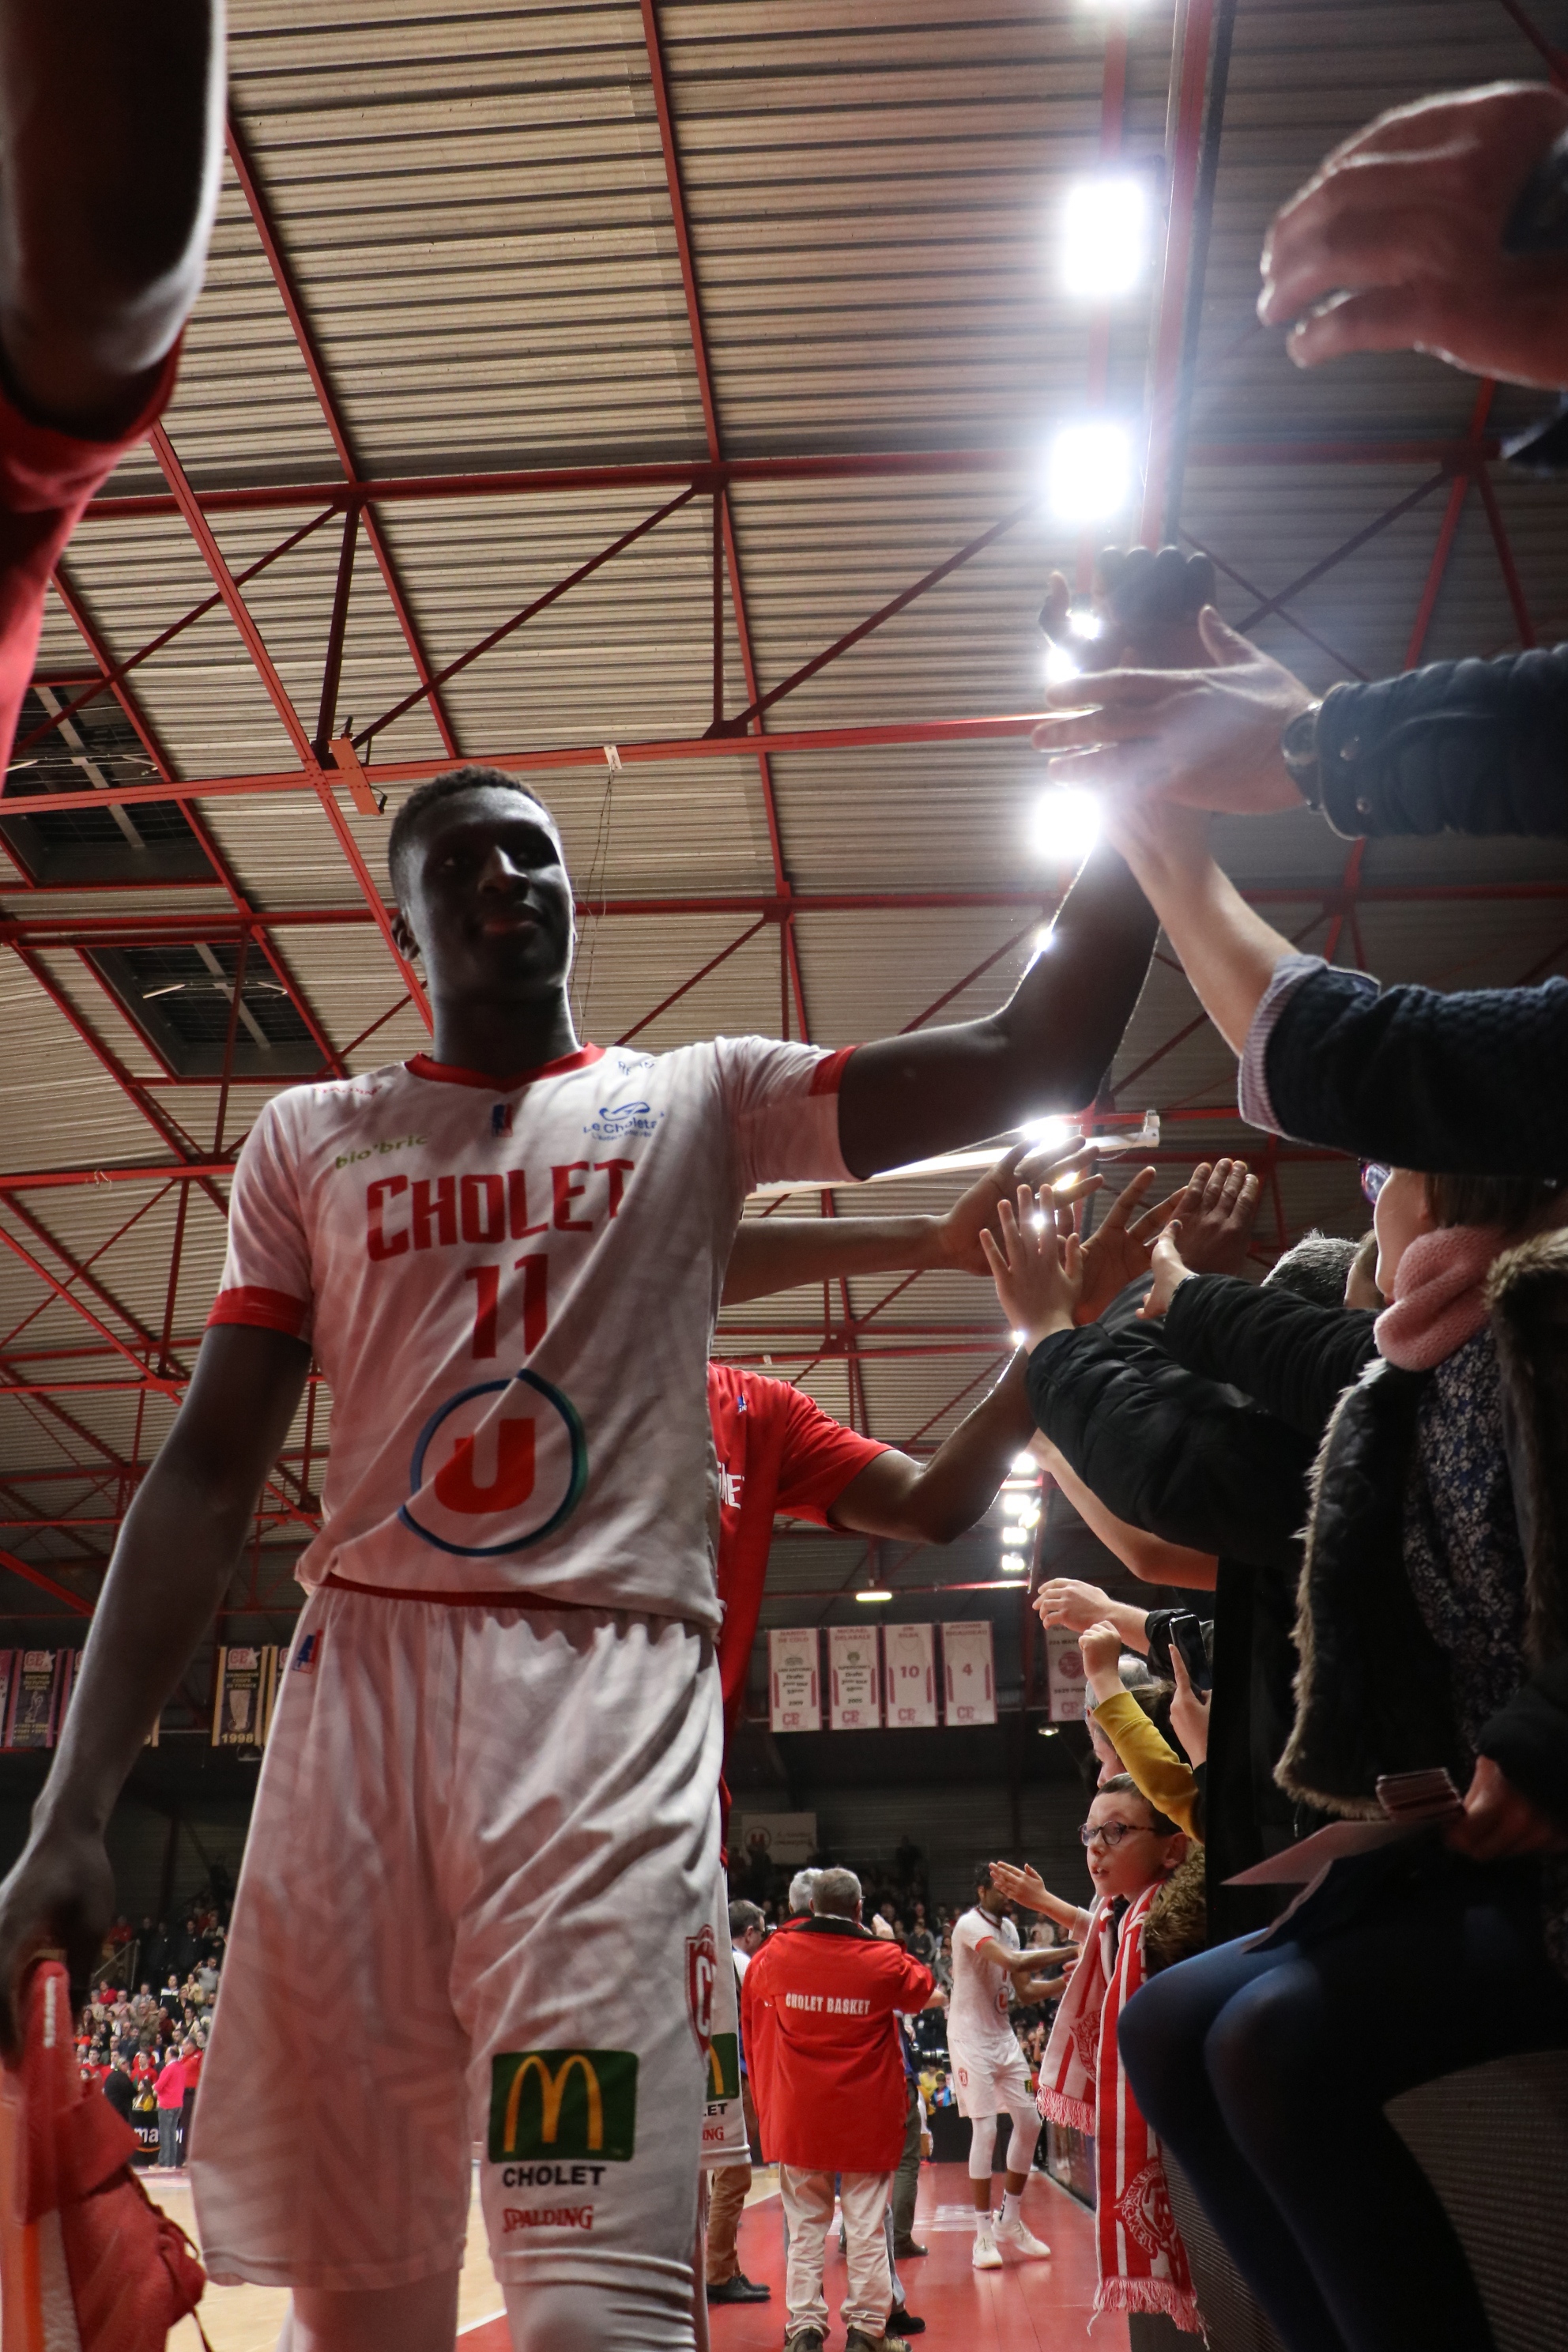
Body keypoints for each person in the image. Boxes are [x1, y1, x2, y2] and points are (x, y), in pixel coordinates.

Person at [0, 750, 1158, 2352]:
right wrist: (76, 1805)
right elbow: (204, 1469)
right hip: (359, 1719)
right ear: (403, 933)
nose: (511, 881)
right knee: (361, 2314)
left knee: (595, 2306)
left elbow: (1034, 1048)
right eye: (466, 863)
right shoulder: (310, 1139)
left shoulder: (693, 1100)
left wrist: (1152, 788)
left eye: (535, 857)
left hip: (602, 1723)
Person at [1118, 1163, 1568, 2352]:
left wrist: (1546, 1736)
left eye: (1388, 1174)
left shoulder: (1539, 1332)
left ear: (1440, 1198)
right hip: (1474, 1844)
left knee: (1274, 2039)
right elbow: (1286, 1360)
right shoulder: (1415, 1373)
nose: (1372, 1196)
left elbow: (1162, 1503)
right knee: (1165, 2022)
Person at [1002, 1778, 1199, 2335]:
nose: (1096, 1847)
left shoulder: (1167, 1922)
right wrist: (1044, 1903)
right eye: (1091, 1832)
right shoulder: (1122, 1915)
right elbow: (1095, 1933)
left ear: (1174, 1846)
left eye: (1117, 1832)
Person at [741, 1868, 933, 2352]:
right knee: (866, 2226)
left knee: (805, 2228)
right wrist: (884, 1940)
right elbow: (920, 1989)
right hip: (864, 2117)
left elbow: (759, 1992)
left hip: (800, 2115)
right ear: (859, 1907)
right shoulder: (883, 1959)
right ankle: (868, 2332)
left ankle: (805, 2328)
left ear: (810, 1906)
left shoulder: (776, 1954)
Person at [947, 1866, 1055, 2268]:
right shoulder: (968, 1925)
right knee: (987, 2127)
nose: (1010, 1893)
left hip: (1004, 2038)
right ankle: (981, 2236)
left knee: (1030, 2121)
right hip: (969, 2038)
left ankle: (1010, 2221)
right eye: (1002, 1886)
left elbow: (1024, 1990)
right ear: (981, 1890)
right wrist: (1073, 1950)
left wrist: (1067, 1980)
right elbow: (1011, 1960)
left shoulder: (1011, 1928)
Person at [703, 1901, 769, 2309]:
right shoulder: (740, 1962)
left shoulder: (697, 1954)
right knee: (734, 2172)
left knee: (717, 2174)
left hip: (705, 2070)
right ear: (747, 1932)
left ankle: (721, 2265)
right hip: (733, 2073)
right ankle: (718, 2273)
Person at [154, 2042, 186, 2171]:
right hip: (178, 2103)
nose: (165, 2056)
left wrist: (153, 2088)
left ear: (171, 2055)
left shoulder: (169, 2069)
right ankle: (172, 2161)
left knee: (165, 2133)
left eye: (166, 2054)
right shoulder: (182, 2068)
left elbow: (159, 2086)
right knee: (172, 2133)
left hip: (167, 2103)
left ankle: (164, 2162)